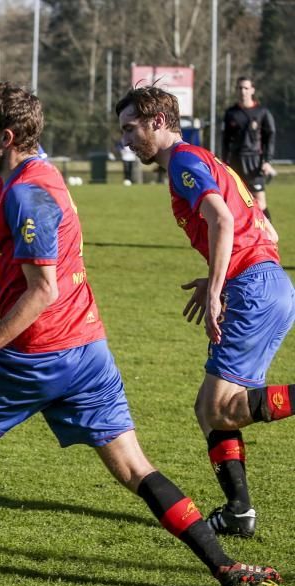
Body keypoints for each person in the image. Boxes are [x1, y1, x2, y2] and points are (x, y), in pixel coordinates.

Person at [0, 81, 281, 586]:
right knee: (133, 467)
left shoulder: (29, 194)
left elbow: (43, 290)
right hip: (88, 350)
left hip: (39, 354)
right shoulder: (20, 180)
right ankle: (226, 567)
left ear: (4, 136)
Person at [117, 86, 294, 540]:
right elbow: (265, 228)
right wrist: (225, 277)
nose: (126, 140)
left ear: (157, 121)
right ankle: (239, 512)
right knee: (210, 409)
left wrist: (218, 288)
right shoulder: (206, 160)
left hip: (252, 290)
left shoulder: (183, 162)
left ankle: (239, 511)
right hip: (264, 283)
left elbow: (221, 220)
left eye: (130, 129)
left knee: (221, 408)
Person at [220, 76, 275, 220]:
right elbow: (225, 141)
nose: (242, 91)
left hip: (254, 162)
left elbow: (270, 137)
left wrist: (267, 161)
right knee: (234, 201)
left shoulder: (262, 112)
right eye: (240, 88)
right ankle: (239, 238)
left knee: (260, 201)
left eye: (246, 88)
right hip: (235, 162)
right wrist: (224, 163)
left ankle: (268, 237)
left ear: (252, 90)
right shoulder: (231, 113)